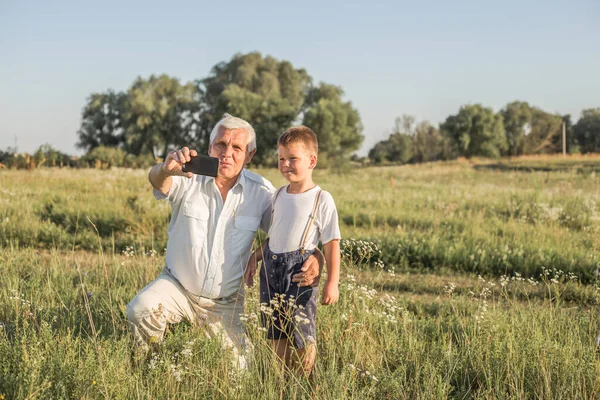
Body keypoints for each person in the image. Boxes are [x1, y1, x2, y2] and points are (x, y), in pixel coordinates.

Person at [126, 114, 323, 368]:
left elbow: (290, 233)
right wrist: (165, 169)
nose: (226, 153)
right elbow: (157, 181)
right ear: (210, 148)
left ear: (249, 155)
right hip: (177, 288)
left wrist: (316, 256)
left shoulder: (261, 192)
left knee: (241, 374)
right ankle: (150, 368)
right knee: (140, 309)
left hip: (226, 306)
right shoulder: (188, 176)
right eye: (221, 144)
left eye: (237, 147)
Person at [244, 126, 341, 376]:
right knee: (275, 329)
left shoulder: (321, 198)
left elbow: (332, 243)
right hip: (270, 269)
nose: (285, 164)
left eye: (292, 159)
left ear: (312, 161)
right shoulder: (277, 195)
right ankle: (282, 379)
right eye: (281, 158)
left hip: (298, 272)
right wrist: (255, 258)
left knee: (300, 331)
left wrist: (332, 282)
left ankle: (302, 378)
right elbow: (274, 236)